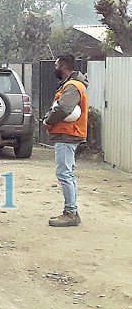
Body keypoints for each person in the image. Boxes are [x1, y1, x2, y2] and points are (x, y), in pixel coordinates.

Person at [43, 55, 89, 227]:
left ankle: (70, 212)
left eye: (56, 65)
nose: (54, 68)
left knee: (64, 173)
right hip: (69, 133)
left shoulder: (72, 86)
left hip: (67, 134)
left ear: (62, 66)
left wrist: (48, 121)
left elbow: (63, 108)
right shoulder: (75, 85)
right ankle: (71, 210)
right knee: (67, 172)